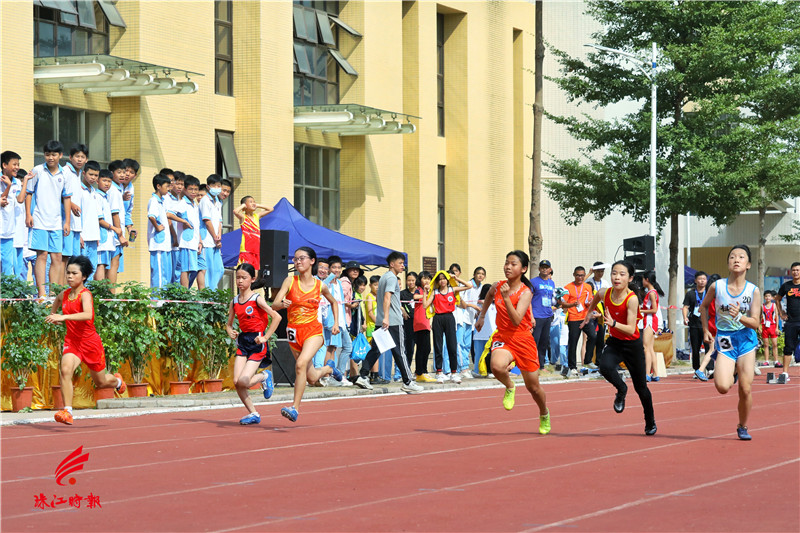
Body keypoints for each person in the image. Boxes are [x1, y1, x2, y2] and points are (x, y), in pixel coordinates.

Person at [475, 250, 551, 435]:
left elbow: (517, 320)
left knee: (533, 387)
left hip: (523, 340)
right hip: (503, 337)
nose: (508, 267)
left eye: (513, 264)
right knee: (496, 366)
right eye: (506, 263)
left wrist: (507, 297)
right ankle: (510, 386)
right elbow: (488, 297)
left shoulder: (526, 292)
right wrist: (482, 316)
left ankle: (544, 413)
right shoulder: (497, 286)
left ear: (523, 269)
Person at [47, 255, 126, 425]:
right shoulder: (64, 294)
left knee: (101, 381)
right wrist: (54, 314)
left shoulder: (85, 295)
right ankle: (67, 411)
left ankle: (118, 381)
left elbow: (88, 314)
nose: (69, 276)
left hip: (90, 343)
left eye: (74, 273)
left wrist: (63, 317)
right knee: (66, 370)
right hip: (73, 342)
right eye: (68, 273)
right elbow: (57, 300)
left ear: (83, 277)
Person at [581, 260, 657, 436]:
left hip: (633, 345)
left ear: (630, 278)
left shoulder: (632, 300)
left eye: (622, 274)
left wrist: (613, 323)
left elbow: (631, 329)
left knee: (642, 389)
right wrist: (588, 314)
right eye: (614, 273)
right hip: (615, 342)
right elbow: (595, 299)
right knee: (604, 367)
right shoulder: (605, 292)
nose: (617, 277)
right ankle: (621, 389)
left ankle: (650, 421)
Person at [271, 247, 343, 422]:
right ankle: (329, 368)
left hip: (313, 331)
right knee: (310, 377)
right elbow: (274, 304)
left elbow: (334, 302)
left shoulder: (320, 286)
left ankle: (294, 408)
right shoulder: (290, 281)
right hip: (294, 333)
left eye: (301, 258)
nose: (297, 262)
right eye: (295, 259)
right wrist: (282, 304)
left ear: (312, 261)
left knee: (300, 364)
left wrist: (335, 323)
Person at [699, 244, 761, 440]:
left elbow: (756, 323)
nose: (736, 260)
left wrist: (740, 316)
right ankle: (732, 371)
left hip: (746, 341)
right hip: (725, 339)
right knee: (723, 387)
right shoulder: (716, 286)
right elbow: (703, 307)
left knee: (745, 388)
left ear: (748, 264)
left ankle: (742, 425)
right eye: (732, 257)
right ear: (728, 263)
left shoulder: (753, 290)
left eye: (741, 257)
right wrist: (705, 329)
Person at [353, 252, 424, 394]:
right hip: (392, 321)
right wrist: (386, 317)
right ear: (392, 264)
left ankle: (362, 375)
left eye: (403, 263)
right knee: (400, 351)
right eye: (400, 263)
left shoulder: (384, 277)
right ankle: (408, 381)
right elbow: (387, 297)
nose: (403, 266)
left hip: (383, 320)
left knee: (377, 349)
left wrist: (384, 318)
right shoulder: (391, 278)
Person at [226, 263, 282, 425]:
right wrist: (230, 331)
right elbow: (229, 324)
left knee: (244, 381)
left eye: (244, 278)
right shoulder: (234, 301)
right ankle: (254, 413)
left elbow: (276, 317)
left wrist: (265, 337)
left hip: (257, 342)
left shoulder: (256, 299)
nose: (240, 281)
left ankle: (265, 376)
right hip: (243, 341)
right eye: (237, 278)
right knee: (237, 382)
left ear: (252, 279)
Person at [25, 140, 72, 297]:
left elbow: (66, 198)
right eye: (47, 154)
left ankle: (53, 293)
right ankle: (42, 294)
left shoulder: (65, 174)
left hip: (57, 222)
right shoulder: (37, 170)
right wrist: (28, 215)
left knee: (57, 257)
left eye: (53, 154)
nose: (50, 158)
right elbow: (29, 193)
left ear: (60, 155)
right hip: (39, 220)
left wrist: (67, 222)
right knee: (42, 255)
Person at [425, 269, 472, 383]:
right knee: (438, 346)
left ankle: (454, 373)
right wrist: (425, 293)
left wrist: (456, 278)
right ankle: (439, 372)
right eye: (440, 279)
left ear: (447, 279)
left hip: (450, 318)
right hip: (438, 319)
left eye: (444, 278)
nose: (442, 281)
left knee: (452, 346)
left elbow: (468, 286)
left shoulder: (452, 289)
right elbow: (425, 305)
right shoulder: (435, 292)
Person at [560, 266, 596, 377]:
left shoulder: (587, 287)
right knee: (573, 342)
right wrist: (572, 305)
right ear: (574, 275)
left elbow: (588, 302)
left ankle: (588, 360)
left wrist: (590, 303)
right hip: (573, 318)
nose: (580, 277)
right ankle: (572, 366)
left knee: (593, 336)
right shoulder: (568, 287)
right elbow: (563, 304)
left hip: (585, 317)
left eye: (582, 275)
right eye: (578, 275)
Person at [323, 256, 353, 385]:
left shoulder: (340, 283)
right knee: (330, 348)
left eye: (339, 267)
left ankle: (338, 374)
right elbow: (322, 287)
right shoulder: (327, 282)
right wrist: (330, 277)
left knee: (346, 347)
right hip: (331, 321)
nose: (337, 270)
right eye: (334, 267)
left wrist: (344, 322)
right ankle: (327, 376)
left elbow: (340, 303)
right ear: (329, 269)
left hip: (341, 321)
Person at [61, 144, 87, 273]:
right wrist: (72, 205)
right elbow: (60, 194)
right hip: (67, 223)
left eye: (83, 157)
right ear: (70, 157)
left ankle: (71, 290)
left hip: (76, 225)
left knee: (75, 261)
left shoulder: (78, 175)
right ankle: (59, 289)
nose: (80, 159)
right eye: (77, 156)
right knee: (64, 258)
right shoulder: (66, 171)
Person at [234, 195, 273, 277]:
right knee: (245, 273)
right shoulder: (243, 217)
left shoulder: (256, 216)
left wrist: (257, 205)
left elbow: (271, 209)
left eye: (254, 201)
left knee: (255, 275)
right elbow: (235, 211)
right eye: (250, 202)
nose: (253, 203)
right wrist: (243, 206)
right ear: (245, 206)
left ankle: (252, 289)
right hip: (246, 250)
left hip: (256, 250)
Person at [0, 151, 25, 277]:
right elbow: (3, 201)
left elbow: (20, 199)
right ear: (4, 165)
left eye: (18, 164)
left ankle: (6, 293)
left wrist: (24, 181)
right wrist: (8, 186)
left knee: (7, 264)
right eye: (14, 164)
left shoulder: (17, 182)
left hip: (8, 230)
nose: (17, 167)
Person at [146, 173, 173, 288]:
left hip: (164, 244)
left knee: (166, 273)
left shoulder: (162, 201)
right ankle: (157, 300)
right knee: (159, 273)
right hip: (158, 244)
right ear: (158, 186)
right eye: (166, 186)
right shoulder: (154, 200)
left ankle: (164, 300)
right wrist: (157, 227)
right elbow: (151, 216)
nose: (168, 189)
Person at [175, 176, 202, 288]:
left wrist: (200, 241)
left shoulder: (194, 204)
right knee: (185, 269)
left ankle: (186, 291)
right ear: (185, 189)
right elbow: (169, 214)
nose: (193, 192)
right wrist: (183, 222)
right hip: (186, 242)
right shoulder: (182, 203)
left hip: (194, 242)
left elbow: (197, 225)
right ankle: (184, 293)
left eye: (196, 189)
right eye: (190, 189)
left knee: (195, 268)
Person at [199, 174, 224, 290]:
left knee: (219, 269)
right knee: (208, 270)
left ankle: (212, 292)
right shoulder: (205, 200)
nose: (217, 188)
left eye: (219, 185)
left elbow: (219, 221)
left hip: (215, 241)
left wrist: (219, 237)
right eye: (214, 185)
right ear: (208, 187)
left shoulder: (218, 202)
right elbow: (207, 221)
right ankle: (208, 296)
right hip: (207, 241)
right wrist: (214, 236)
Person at [449, 263, 474, 379]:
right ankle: (457, 368)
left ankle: (462, 368)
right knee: (452, 345)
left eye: (456, 272)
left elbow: (469, 286)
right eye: (451, 273)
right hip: (449, 320)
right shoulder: (446, 288)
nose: (453, 274)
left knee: (461, 344)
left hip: (460, 319)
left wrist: (456, 279)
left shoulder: (458, 287)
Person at [776, 262, 800, 380]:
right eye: (794, 270)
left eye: (798, 270)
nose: (796, 272)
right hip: (791, 322)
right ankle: (785, 373)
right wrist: (781, 313)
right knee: (788, 347)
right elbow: (777, 299)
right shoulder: (786, 286)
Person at [106, 160, 129, 284]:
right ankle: (111, 296)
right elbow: (115, 214)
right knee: (113, 265)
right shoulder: (114, 190)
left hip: (114, 232)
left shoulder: (118, 189)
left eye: (123, 172)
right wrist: (120, 235)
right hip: (115, 234)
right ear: (111, 173)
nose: (122, 175)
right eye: (118, 172)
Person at [682, 271, 710, 371]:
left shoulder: (709, 293)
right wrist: (685, 317)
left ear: (706, 281)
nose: (702, 281)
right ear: (695, 280)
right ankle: (696, 369)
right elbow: (685, 307)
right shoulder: (690, 293)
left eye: (704, 279)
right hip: (694, 324)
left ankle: (710, 368)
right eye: (700, 279)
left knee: (709, 348)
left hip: (707, 325)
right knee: (695, 348)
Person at [640, 270, 665, 382]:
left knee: (646, 348)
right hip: (649, 320)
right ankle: (655, 373)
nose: (642, 281)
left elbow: (654, 309)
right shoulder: (651, 292)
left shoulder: (651, 293)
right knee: (650, 348)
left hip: (650, 321)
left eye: (643, 279)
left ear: (647, 280)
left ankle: (647, 373)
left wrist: (641, 310)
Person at [531, 260, 556, 369]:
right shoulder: (533, 282)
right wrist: (531, 316)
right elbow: (528, 300)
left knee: (544, 342)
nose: (544, 269)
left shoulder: (551, 283)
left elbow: (552, 299)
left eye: (547, 267)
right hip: (537, 315)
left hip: (547, 315)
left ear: (550, 269)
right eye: (542, 267)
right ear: (539, 269)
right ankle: (531, 364)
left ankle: (541, 365)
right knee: (534, 341)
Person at [413, 270, 435, 382]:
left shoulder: (431, 291)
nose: (426, 280)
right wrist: (426, 293)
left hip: (426, 322)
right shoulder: (420, 289)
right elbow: (415, 296)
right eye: (424, 278)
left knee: (427, 348)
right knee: (422, 348)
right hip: (419, 321)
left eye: (428, 278)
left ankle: (423, 371)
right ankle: (420, 372)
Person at [588, 261, 611, 367]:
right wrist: (589, 273)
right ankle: (588, 360)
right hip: (591, 314)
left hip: (601, 315)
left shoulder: (605, 283)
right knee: (592, 337)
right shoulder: (589, 281)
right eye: (598, 271)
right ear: (594, 271)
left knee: (600, 339)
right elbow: (581, 287)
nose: (600, 274)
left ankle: (598, 361)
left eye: (602, 271)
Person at [164, 171, 185, 284]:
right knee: (171, 271)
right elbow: (169, 219)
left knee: (179, 270)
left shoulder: (179, 199)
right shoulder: (167, 198)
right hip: (172, 240)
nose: (179, 187)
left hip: (180, 240)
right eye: (177, 183)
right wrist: (174, 236)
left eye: (182, 184)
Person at [472, 283, 496, 376]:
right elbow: (477, 306)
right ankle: (478, 371)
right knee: (478, 353)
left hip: (492, 333)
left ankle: (490, 371)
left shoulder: (495, 304)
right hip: (479, 333)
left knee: (490, 354)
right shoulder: (480, 304)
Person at [400, 271, 418, 377]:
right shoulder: (403, 293)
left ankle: (419, 371)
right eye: (408, 280)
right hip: (408, 324)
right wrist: (403, 310)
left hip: (419, 323)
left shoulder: (419, 292)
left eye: (412, 280)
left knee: (422, 348)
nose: (410, 282)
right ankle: (407, 372)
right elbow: (397, 302)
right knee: (409, 348)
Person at [760, 290, 780, 367]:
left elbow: (777, 317)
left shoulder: (774, 305)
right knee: (766, 345)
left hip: (772, 326)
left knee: (774, 344)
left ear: (771, 297)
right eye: (766, 296)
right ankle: (766, 361)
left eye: (769, 296)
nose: (767, 297)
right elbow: (759, 317)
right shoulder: (762, 306)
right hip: (765, 327)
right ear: (764, 297)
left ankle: (776, 361)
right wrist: (759, 327)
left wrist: (777, 328)